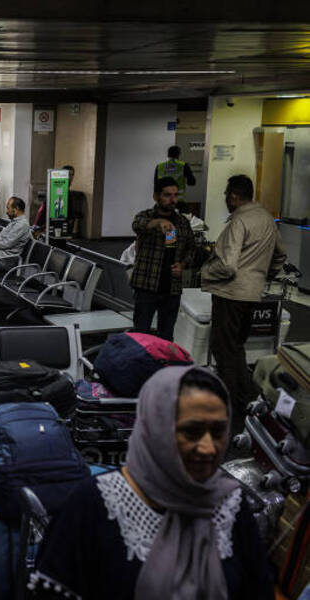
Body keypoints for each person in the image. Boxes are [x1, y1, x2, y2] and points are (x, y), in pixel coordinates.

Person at [33, 366, 274, 600]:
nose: (208, 447)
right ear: (154, 428)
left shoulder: (230, 506)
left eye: (219, 431)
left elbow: (257, 589)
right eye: (191, 432)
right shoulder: (92, 506)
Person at [201, 174, 286, 430]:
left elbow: (227, 266)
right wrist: (262, 276)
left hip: (230, 294)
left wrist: (203, 273)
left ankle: (230, 408)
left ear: (234, 196)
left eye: (227, 196)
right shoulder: (267, 219)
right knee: (237, 348)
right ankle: (246, 399)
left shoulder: (239, 221)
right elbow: (281, 256)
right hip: (252, 293)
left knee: (223, 349)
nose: (227, 201)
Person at [130, 176, 195, 341]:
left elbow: (191, 249)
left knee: (166, 338)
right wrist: (158, 222)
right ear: (156, 196)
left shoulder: (182, 223)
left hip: (171, 289)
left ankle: (164, 366)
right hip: (147, 286)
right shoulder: (145, 216)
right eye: (167, 195)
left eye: (175, 195)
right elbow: (138, 225)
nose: (172, 200)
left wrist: (183, 265)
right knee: (141, 335)